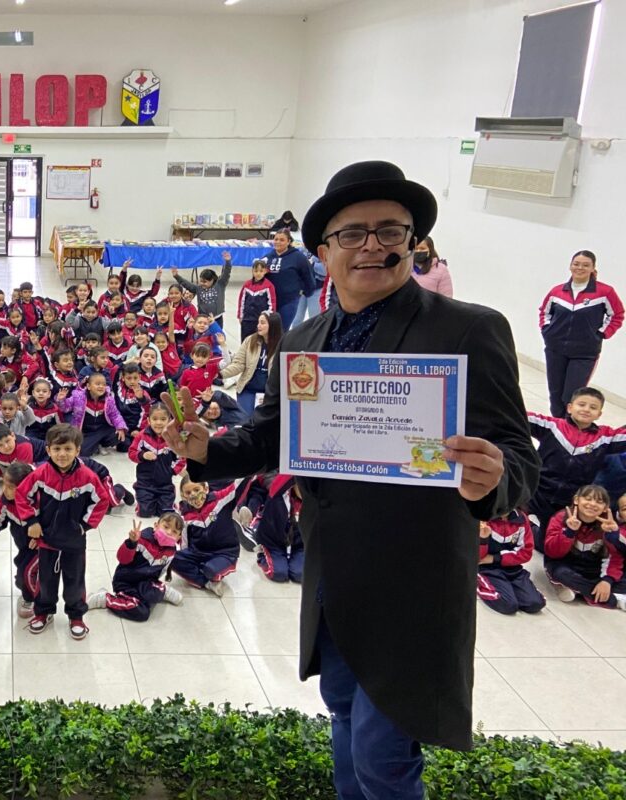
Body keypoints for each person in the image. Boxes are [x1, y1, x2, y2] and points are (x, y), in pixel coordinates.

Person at [161, 161, 539, 799]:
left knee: (383, 757)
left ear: (413, 243)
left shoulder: (467, 329)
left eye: (391, 231)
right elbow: (273, 437)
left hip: (411, 583)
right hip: (332, 572)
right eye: (354, 234)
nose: (374, 246)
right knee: (342, 715)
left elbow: (519, 459)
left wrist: (495, 476)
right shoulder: (306, 338)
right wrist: (210, 449)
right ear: (323, 253)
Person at [13, 424, 113, 640]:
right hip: (46, 541)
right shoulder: (40, 474)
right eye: (57, 449)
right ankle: (43, 612)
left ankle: (76, 616)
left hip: (74, 543)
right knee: (46, 582)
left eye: (68, 449)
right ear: (48, 450)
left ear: (78, 450)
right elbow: (21, 495)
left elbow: (101, 500)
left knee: (75, 582)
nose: (62, 454)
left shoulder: (87, 476)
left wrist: (84, 526)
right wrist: (31, 520)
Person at [527, 387, 626, 546]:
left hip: (567, 502)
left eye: (593, 407)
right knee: (505, 520)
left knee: (546, 545)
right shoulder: (552, 426)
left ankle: (532, 529)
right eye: (582, 404)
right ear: (570, 407)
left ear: (599, 414)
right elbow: (516, 414)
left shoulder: (606, 438)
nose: (586, 409)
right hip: (535, 492)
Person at [539, 250, 623, 417]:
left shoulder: (604, 292)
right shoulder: (557, 291)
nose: (580, 268)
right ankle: (557, 429)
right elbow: (544, 312)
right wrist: (547, 330)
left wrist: (601, 334)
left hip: (584, 354)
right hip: (555, 350)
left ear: (593, 268)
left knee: (572, 396)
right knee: (555, 395)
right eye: (576, 264)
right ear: (570, 266)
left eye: (586, 265)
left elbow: (617, 315)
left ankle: (569, 431)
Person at [87, 516, 185, 621]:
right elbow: (122, 559)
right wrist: (131, 543)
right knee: (142, 613)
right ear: (156, 526)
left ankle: (163, 591)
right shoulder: (141, 539)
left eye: (174, 532)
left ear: (179, 537)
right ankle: (105, 599)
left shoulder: (171, 551)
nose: (169, 532)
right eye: (166, 527)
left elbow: (162, 571)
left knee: (152, 595)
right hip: (126, 581)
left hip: (147, 582)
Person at [543, 485, 625, 608]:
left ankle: (576, 590)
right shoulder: (561, 517)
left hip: (592, 569)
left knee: (620, 581)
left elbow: (615, 557)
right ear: (576, 500)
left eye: (599, 502)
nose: (592, 504)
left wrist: (607, 581)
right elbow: (552, 553)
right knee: (562, 574)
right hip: (564, 565)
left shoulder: (607, 525)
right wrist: (569, 532)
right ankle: (608, 599)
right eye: (588, 499)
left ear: (605, 508)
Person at [0, 461, 38, 619]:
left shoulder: (40, 501)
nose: (5, 490)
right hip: (24, 547)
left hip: (44, 546)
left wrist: (41, 537)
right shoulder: (4, 502)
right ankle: (31, 590)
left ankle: (31, 599)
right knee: (21, 574)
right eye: (4, 484)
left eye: (11, 488)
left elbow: (54, 521)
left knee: (27, 574)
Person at [173, 478, 241, 596]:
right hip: (198, 552)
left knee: (211, 570)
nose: (193, 495)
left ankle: (208, 571)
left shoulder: (219, 499)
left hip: (225, 552)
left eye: (196, 489)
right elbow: (185, 540)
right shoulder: (184, 514)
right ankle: (206, 583)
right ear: (183, 495)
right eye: (188, 493)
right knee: (171, 558)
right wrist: (187, 560)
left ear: (205, 488)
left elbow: (238, 484)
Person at [476, 509, 545, 615]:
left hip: (513, 568)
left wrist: (496, 558)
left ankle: (511, 588)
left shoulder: (521, 519)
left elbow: (526, 553)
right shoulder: (482, 518)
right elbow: (477, 558)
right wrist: (483, 539)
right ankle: (478, 582)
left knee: (535, 603)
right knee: (508, 605)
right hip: (487, 569)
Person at [219, 311, 282, 416]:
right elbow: (239, 364)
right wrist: (220, 374)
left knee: (264, 422)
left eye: (262, 323)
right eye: (258, 322)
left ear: (272, 325)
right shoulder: (250, 340)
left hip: (270, 393)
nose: (258, 326)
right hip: (248, 389)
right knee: (245, 420)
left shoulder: (283, 344)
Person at [128, 404, 182, 518]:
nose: (159, 423)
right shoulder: (142, 436)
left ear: (170, 420)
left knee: (166, 514)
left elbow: (182, 457)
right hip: (144, 483)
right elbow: (131, 453)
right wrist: (143, 455)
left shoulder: (174, 438)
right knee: (145, 512)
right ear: (148, 420)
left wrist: (172, 470)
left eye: (163, 419)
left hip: (165, 485)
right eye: (155, 419)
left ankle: (164, 503)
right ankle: (142, 499)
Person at [259, 229, 316, 330]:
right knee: (268, 330)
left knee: (282, 330)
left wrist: (305, 291)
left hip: (288, 301)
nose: (278, 242)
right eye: (276, 239)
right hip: (269, 301)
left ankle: (282, 346)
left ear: (289, 241)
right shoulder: (267, 257)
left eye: (282, 240)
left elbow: (308, 276)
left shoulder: (298, 257)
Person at [169, 263, 232, 330]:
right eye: (201, 281)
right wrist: (176, 276)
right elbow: (187, 284)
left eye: (205, 282)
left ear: (212, 280)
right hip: (203, 319)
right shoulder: (198, 288)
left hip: (217, 319)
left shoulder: (220, 285)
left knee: (216, 336)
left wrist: (228, 261)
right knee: (203, 337)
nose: (202, 283)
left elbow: (226, 274)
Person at [238, 259, 277, 340]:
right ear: (252, 271)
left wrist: (269, 318)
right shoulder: (247, 285)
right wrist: (240, 316)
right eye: (256, 271)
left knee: (260, 341)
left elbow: (272, 303)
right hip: (247, 319)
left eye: (261, 271)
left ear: (265, 271)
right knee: (245, 340)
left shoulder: (269, 286)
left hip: (260, 320)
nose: (258, 273)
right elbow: (241, 301)